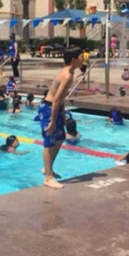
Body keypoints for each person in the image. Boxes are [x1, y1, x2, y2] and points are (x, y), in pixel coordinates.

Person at [38, 46, 84, 189]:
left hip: (55, 109)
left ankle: (48, 168)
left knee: (60, 137)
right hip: (49, 108)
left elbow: (61, 98)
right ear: (74, 59)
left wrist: (62, 115)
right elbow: (56, 100)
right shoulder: (67, 75)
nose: (83, 59)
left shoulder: (69, 73)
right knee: (49, 140)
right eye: (81, 56)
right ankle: (48, 177)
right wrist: (52, 121)